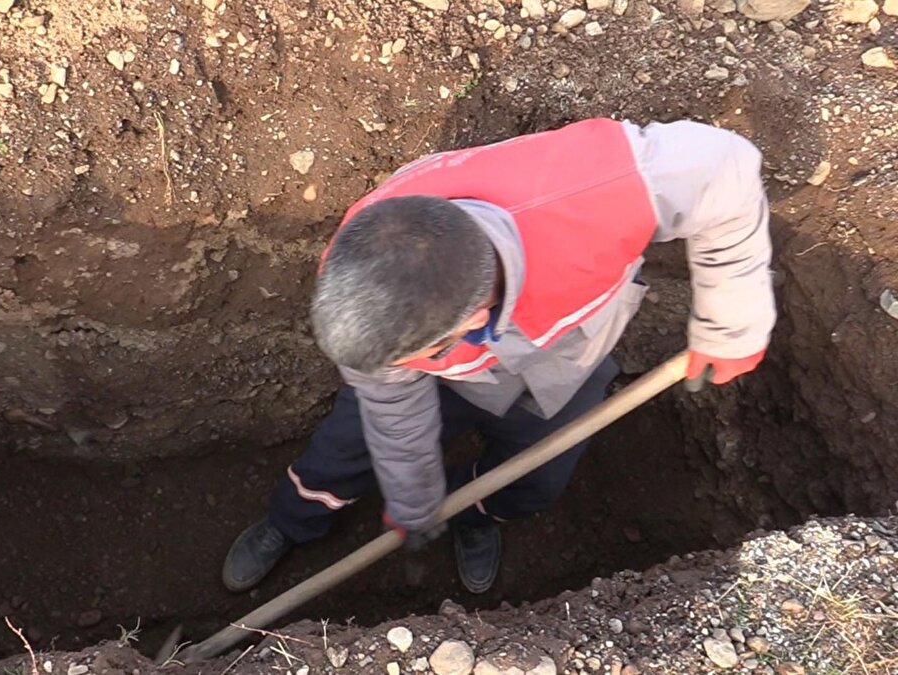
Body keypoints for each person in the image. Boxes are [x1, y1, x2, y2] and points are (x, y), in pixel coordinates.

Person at [222, 118, 775, 594]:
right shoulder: (363, 281)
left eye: (415, 356)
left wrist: (732, 323)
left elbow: (724, 166)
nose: (396, 370)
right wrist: (414, 500)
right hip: (458, 371)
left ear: (468, 320)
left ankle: (476, 514)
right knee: (341, 453)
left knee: (538, 480)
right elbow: (395, 412)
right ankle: (292, 524)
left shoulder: (596, 192)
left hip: (567, 356)